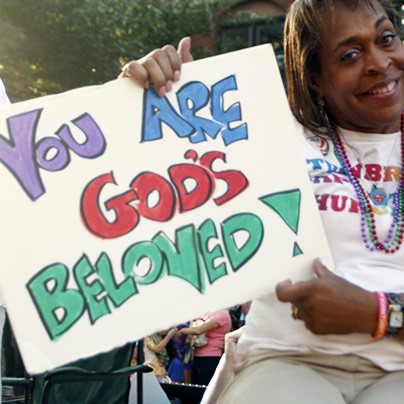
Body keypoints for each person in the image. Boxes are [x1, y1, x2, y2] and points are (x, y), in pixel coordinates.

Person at [122, 0, 404, 402]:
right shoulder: (268, 137)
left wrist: (378, 314)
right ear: (315, 78)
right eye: (350, 54)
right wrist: (143, 100)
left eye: (386, 38)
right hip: (286, 361)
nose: (379, 62)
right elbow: (149, 196)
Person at [178, 310, 231, 386]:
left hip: (211, 357)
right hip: (197, 356)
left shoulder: (221, 314)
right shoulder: (208, 314)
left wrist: (182, 331)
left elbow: (198, 331)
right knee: (196, 389)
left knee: (204, 388)